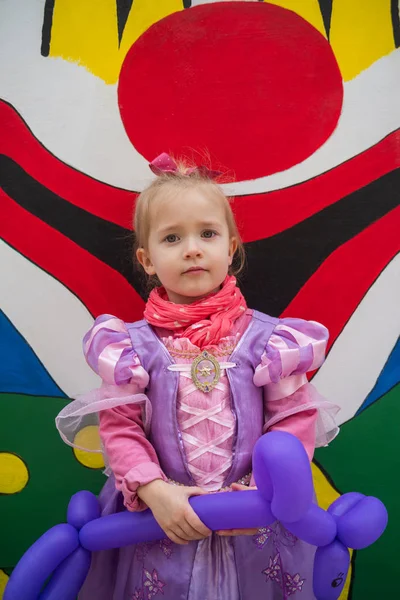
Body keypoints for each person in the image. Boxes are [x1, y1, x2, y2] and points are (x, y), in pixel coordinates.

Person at [56, 153, 340, 600]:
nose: (192, 248)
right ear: (147, 260)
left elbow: (293, 422)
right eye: (172, 238)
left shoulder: (273, 343)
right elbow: (120, 428)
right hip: (159, 526)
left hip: (254, 525)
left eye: (207, 233)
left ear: (230, 249)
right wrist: (154, 492)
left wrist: (264, 496)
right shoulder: (129, 349)